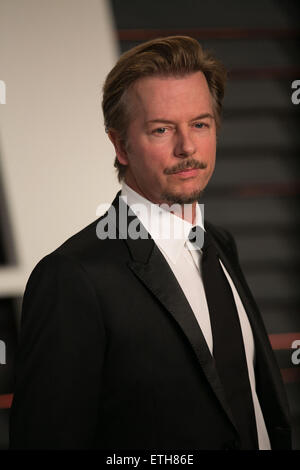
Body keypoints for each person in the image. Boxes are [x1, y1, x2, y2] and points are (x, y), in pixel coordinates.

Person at [9, 36, 291, 450]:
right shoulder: (73, 276)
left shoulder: (221, 245)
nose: (187, 147)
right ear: (120, 145)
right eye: (161, 129)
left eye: (200, 124)